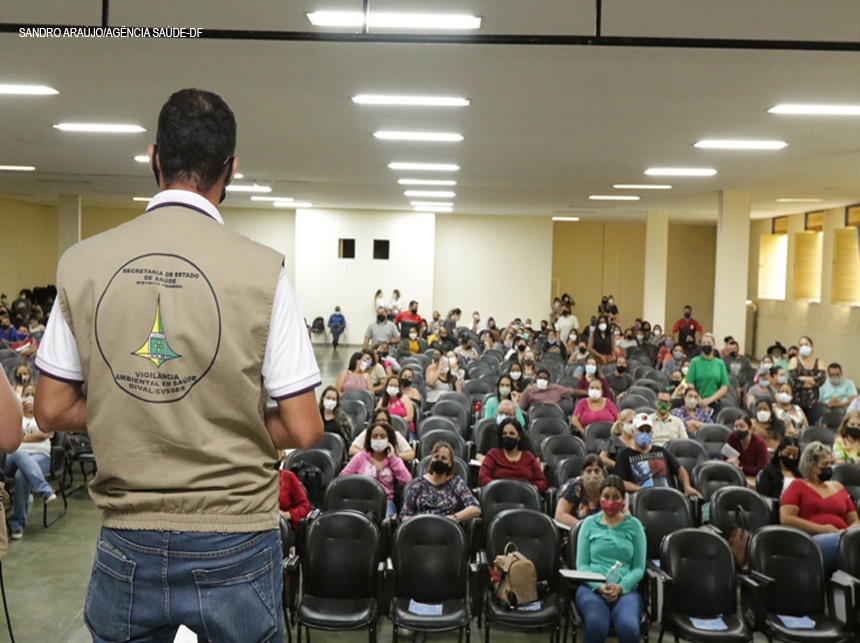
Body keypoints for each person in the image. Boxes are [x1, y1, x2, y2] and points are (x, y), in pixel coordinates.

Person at [34, 89, 324, 642]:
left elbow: (49, 409)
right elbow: (307, 427)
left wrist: (139, 407)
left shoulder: (82, 263)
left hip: (129, 537)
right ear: (231, 169)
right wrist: (220, 416)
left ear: (154, 158)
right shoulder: (264, 272)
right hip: (235, 535)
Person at [574, 475, 646, 643]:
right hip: (592, 589)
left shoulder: (634, 526)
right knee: (597, 625)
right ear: (600, 497)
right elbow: (582, 565)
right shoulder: (589, 524)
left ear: (623, 499)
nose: (610, 502)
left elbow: (638, 568)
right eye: (606, 497)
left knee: (629, 628)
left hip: (625, 591)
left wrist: (620, 587)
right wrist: (600, 587)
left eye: (616, 498)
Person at [780, 441, 859, 573]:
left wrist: (849, 533)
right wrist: (824, 529)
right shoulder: (797, 486)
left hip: (844, 536)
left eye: (830, 463)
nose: (829, 468)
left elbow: (854, 519)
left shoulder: (838, 486)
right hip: (814, 541)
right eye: (824, 464)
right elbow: (786, 518)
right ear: (811, 466)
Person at [4, 386, 57, 539]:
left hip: (40, 456)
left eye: (34, 395)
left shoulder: (45, 416)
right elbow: (7, 437)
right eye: (27, 394)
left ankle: (17, 525)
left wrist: (19, 438)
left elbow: (44, 434)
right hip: (13, 458)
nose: (29, 398)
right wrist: (16, 412)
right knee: (16, 451)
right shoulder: (15, 416)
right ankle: (44, 489)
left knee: (22, 475)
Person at [614, 414, 700, 496]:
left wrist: (687, 487)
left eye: (648, 431)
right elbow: (620, 482)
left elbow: (680, 470)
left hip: (667, 495)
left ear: (652, 432)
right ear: (633, 432)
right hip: (642, 498)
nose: (645, 434)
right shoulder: (624, 455)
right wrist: (642, 489)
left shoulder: (661, 451)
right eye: (641, 430)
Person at [340, 421, 412, 517]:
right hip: (360, 500)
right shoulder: (360, 456)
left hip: (385, 502)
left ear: (388, 439)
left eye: (382, 436)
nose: (378, 439)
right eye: (375, 436)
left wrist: (392, 458)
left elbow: (407, 481)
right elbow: (343, 477)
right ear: (370, 439)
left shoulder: (394, 459)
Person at [399, 441, 481, 522]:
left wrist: (453, 518)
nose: (439, 460)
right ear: (431, 460)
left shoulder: (457, 483)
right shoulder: (417, 483)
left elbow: (475, 509)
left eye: (444, 458)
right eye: (436, 457)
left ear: (450, 463)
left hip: (447, 528)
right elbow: (405, 515)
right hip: (421, 529)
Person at [477, 418, 548, 493]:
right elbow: (482, 478)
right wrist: (500, 487)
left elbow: (542, 482)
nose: (508, 436)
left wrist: (531, 488)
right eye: (504, 434)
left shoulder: (528, 456)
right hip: (499, 497)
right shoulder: (493, 454)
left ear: (519, 437)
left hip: (523, 499)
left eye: (512, 434)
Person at [554, 454, 605, 526]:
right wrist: (585, 527)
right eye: (589, 471)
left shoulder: (607, 488)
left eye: (597, 471)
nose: (593, 475)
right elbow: (559, 515)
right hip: (575, 531)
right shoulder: (574, 486)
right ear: (582, 473)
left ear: (603, 473)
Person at [684, 333, 728, 412]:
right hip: (695, 402)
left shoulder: (720, 363)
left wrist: (709, 400)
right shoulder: (694, 362)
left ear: (713, 346)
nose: (706, 345)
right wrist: (700, 401)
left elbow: (724, 387)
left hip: (714, 403)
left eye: (709, 343)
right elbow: (690, 383)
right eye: (704, 343)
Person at [349, 410, 415, 462]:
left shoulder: (396, 435)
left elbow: (410, 454)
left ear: (389, 423)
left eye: (384, 420)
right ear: (373, 422)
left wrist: (394, 456)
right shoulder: (366, 433)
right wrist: (369, 456)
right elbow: (352, 450)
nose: (381, 423)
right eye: (378, 420)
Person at [789, 335, 826, 425]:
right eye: (801, 345)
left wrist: (802, 378)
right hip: (796, 403)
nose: (803, 346)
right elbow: (793, 381)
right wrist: (812, 381)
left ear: (811, 346)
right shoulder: (794, 360)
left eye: (806, 344)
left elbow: (821, 379)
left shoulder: (819, 361)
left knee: (812, 427)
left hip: (812, 403)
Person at [724, 414, 769, 481]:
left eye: (742, 426)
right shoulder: (732, 438)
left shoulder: (760, 444)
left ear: (750, 429)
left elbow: (761, 470)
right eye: (736, 427)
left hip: (753, 479)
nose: (738, 429)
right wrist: (729, 463)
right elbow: (724, 459)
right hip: (733, 476)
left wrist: (740, 466)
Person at [756, 436, 801, 500]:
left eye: (794, 455)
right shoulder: (768, 472)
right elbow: (764, 498)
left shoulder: (799, 474)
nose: (791, 457)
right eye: (788, 454)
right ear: (779, 452)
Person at [278, 466, 311, 534]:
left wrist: (286, 515)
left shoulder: (288, 477)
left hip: (282, 529)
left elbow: (305, 507)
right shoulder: (252, 479)